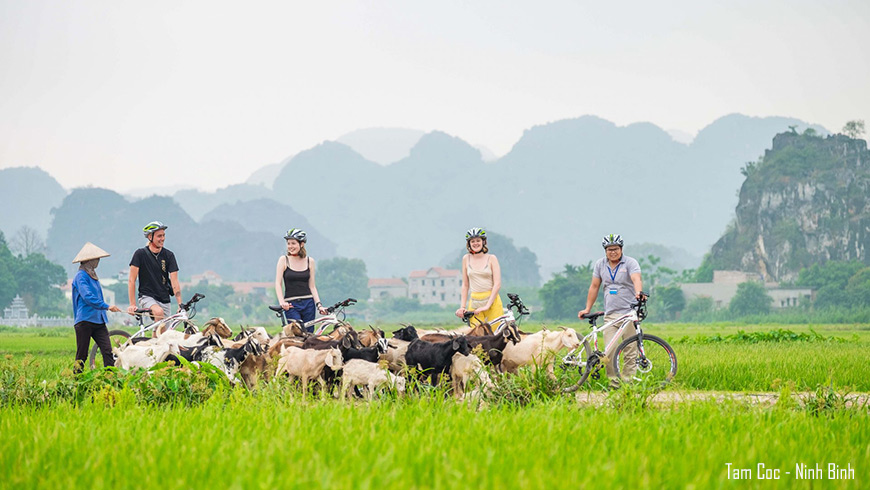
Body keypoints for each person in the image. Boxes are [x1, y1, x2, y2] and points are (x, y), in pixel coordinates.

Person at [577, 234, 645, 388]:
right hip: (611, 315)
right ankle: (613, 384)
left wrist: (638, 293)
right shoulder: (600, 265)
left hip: (628, 313)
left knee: (630, 350)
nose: (612, 252)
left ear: (621, 249)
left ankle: (628, 383)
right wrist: (587, 308)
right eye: (609, 249)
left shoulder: (630, 263)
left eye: (615, 249)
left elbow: (636, 279)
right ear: (605, 251)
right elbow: (594, 286)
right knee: (609, 351)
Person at [71, 242, 121, 372]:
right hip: (85, 321)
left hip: (99, 321)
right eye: (96, 259)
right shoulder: (80, 276)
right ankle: (77, 381)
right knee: (82, 355)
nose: (98, 261)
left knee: (107, 351)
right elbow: (87, 297)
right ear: (89, 260)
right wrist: (107, 306)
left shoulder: (93, 276)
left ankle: (110, 379)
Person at [127, 221, 182, 321]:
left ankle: (154, 336)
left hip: (164, 298)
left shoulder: (169, 255)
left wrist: (180, 304)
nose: (162, 239)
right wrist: (132, 304)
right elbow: (131, 280)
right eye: (159, 236)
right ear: (150, 237)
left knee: (164, 333)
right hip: (146, 296)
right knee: (158, 312)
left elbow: (174, 282)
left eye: (164, 235)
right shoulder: (140, 254)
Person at [275, 228, 327, 332]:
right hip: (291, 304)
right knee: (297, 333)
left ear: (301, 244)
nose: (290, 246)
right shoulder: (284, 260)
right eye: (288, 243)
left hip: (309, 303)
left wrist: (319, 305)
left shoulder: (310, 261)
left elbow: (312, 286)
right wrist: (282, 302)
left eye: (293, 243)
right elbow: (278, 283)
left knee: (309, 336)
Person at [455, 228, 504, 327]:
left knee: (495, 336)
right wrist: (462, 307)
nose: (475, 243)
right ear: (469, 244)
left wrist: (487, 306)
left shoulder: (492, 258)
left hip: (492, 301)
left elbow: (497, 284)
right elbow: (465, 285)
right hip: (475, 301)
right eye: (472, 241)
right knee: (476, 338)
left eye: (478, 240)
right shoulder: (466, 258)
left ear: (483, 242)